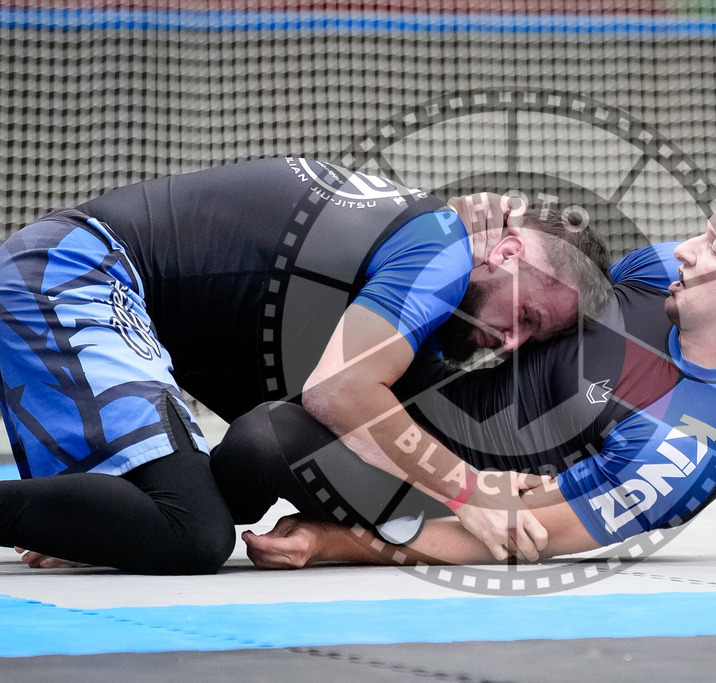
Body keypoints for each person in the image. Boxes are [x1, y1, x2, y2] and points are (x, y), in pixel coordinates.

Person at [0, 158, 610, 574]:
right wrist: (468, 489)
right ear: (506, 251)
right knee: (191, 532)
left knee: (193, 506)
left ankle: (98, 514)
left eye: (531, 338)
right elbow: (337, 391)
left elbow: (313, 420)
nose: (509, 343)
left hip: (114, 294)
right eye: (525, 315)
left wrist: (95, 524)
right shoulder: (443, 248)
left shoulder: (430, 236)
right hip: (76, 276)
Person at [209, 181, 716, 568]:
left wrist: (334, 544)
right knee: (287, 321)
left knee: (262, 442)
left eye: (713, 247)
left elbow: (522, 533)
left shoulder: (691, 440)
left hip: (445, 485)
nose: (684, 248)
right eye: (701, 232)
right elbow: (547, 277)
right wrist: (472, 224)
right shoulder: (655, 275)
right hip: (419, 392)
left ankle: (183, 514)